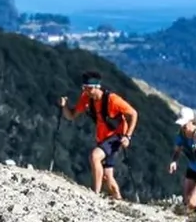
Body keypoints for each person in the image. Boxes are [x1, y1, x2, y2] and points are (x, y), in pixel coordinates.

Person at [58, 70, 138, 200]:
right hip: (103, 138)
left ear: (97, 87)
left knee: (94, 156)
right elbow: (71, 116)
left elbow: (133, 114)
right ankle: (119, 200)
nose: (86, 91)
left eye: (89, 88)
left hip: (116, 136)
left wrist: (128, 136)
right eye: (84, 87)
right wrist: (64, 106)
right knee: (107, 175)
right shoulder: (86, 98)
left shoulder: (113, 100)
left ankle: (95, 194)